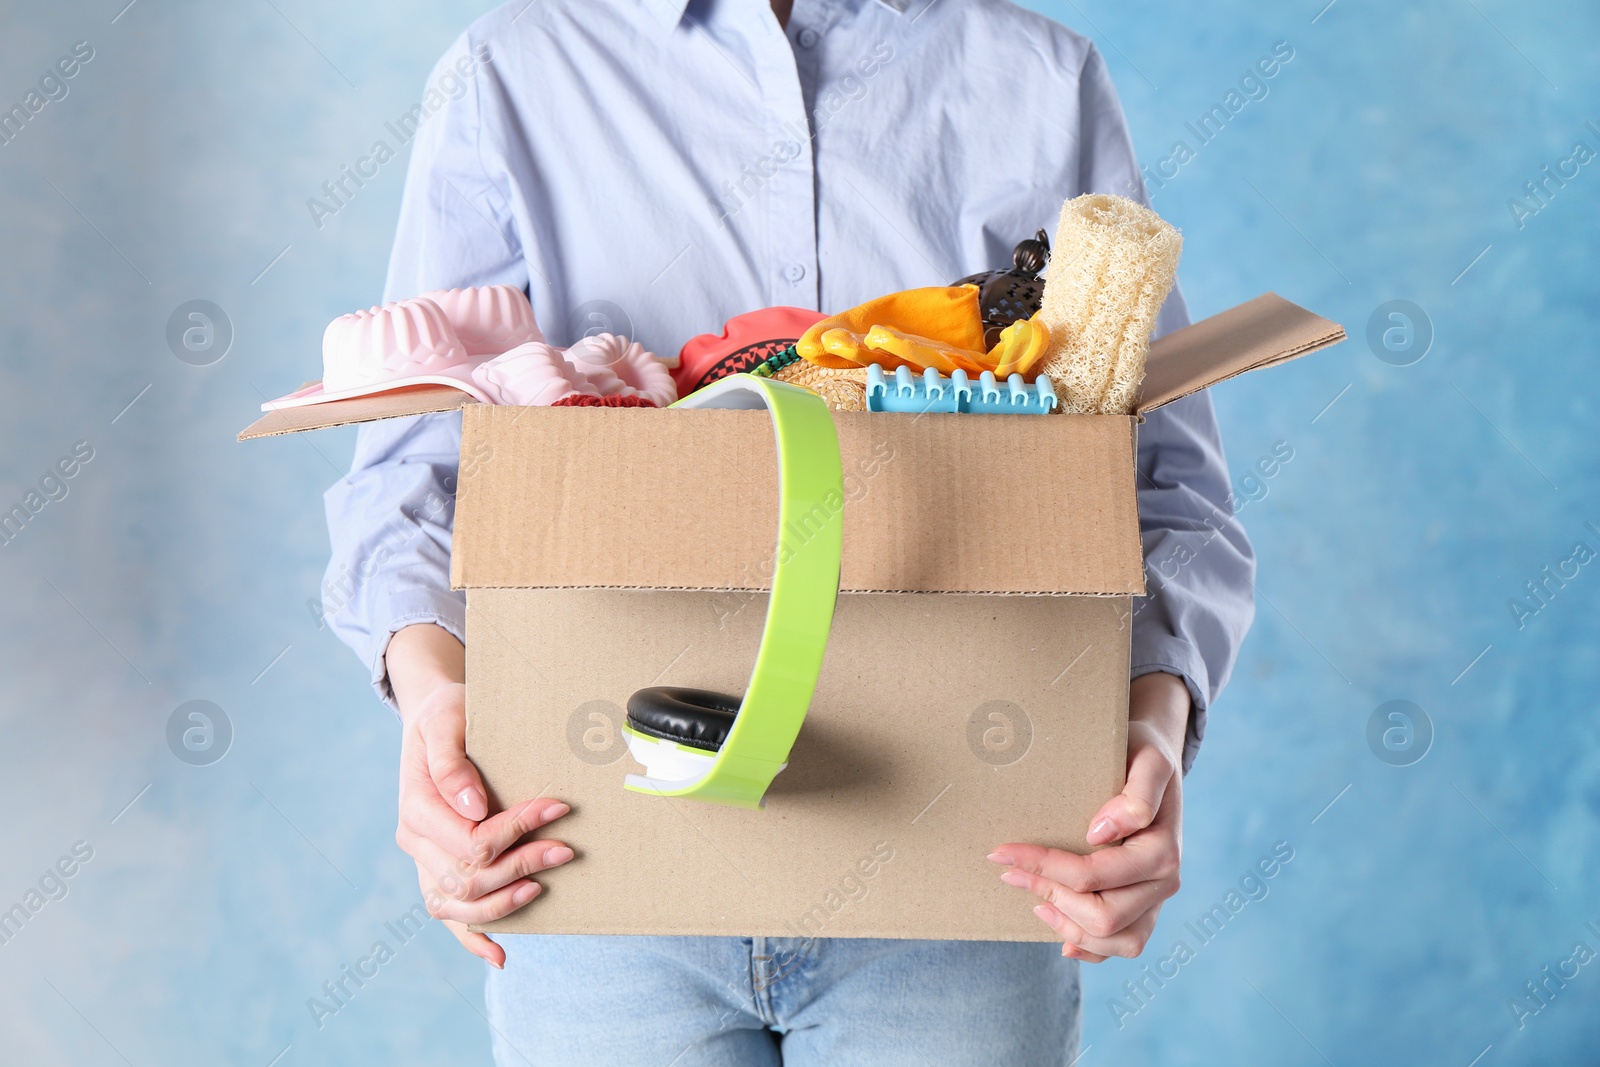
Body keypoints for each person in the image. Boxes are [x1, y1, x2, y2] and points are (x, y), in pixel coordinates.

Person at [323, 0, 1254, 1062]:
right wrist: (434, 707)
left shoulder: (1038, 80)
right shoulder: (510, 72)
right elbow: (411, 473)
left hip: (965, 870)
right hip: (595, 862)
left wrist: (1149, 732)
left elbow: (1166, 489)